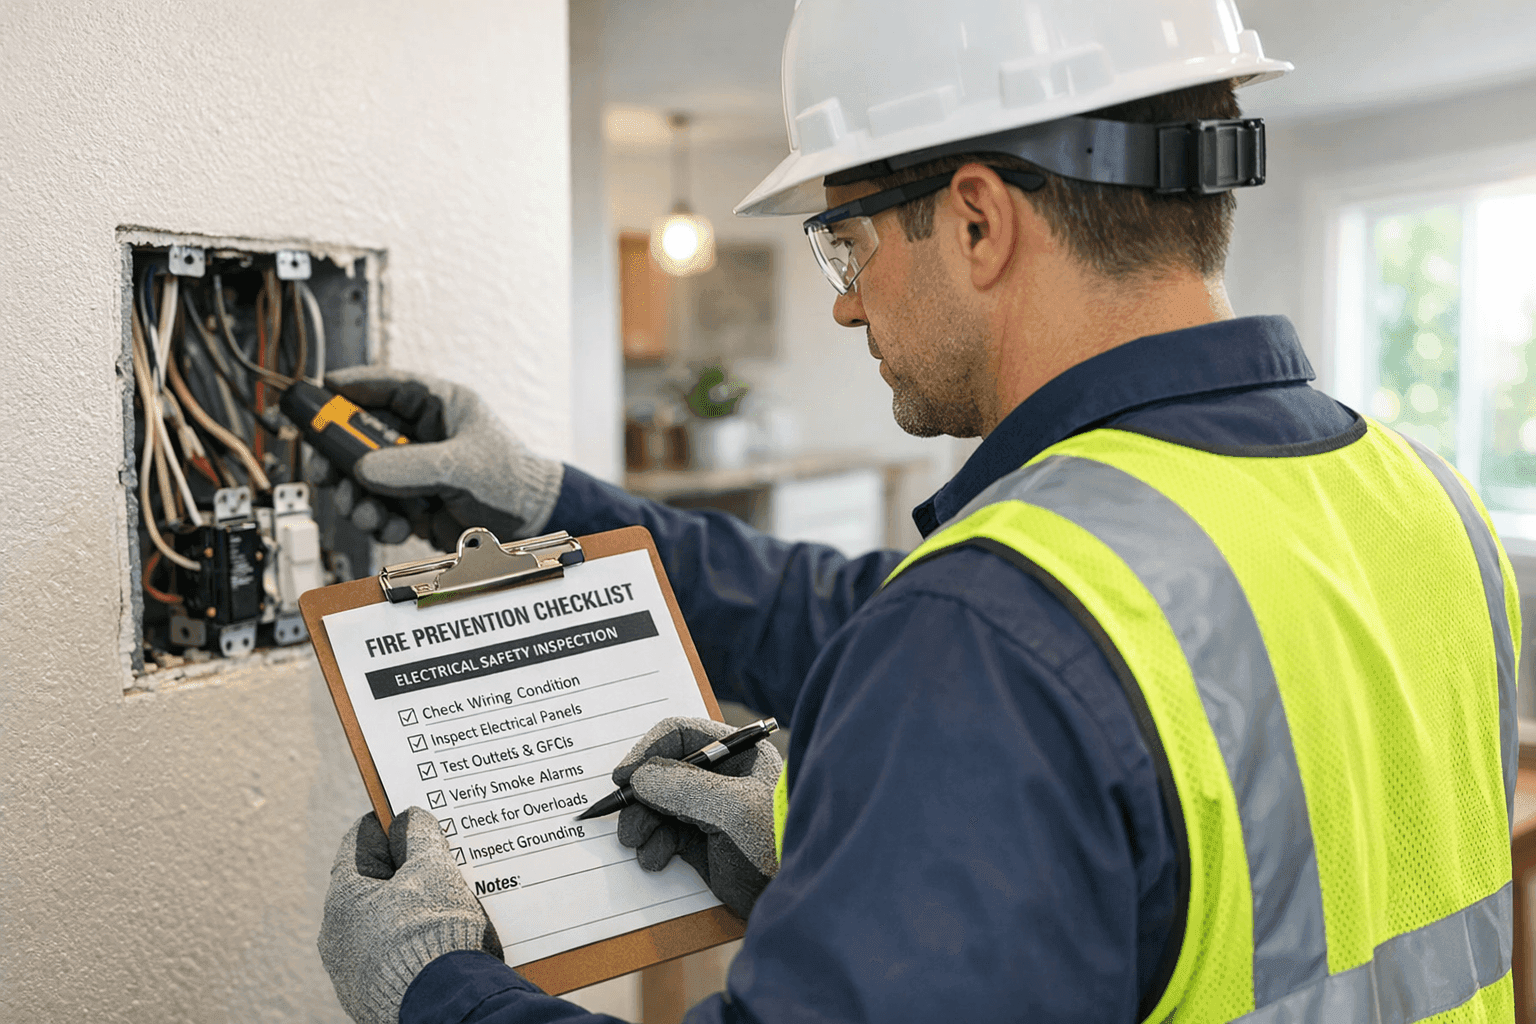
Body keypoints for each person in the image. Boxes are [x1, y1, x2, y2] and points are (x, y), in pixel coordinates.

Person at [318, 1, 1522, 1021]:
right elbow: (895, 635)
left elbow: (983, 657)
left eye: (842, 242)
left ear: (979, 221)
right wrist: (543, 502)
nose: (844, 306)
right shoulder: (1429, 502)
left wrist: (437, 988)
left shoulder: (993, 632)